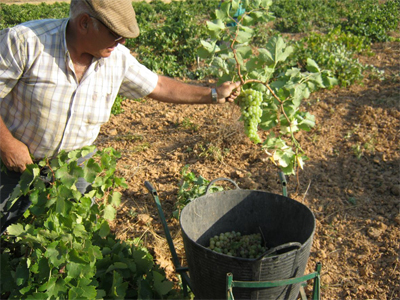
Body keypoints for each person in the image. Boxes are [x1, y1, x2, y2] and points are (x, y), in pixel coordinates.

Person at [0, 0, 241, 234]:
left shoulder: (118, 58)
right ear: (84, 23)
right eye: (115, 34)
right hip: (13, 167)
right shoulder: (25, 42)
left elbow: (158, 86)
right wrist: (7, 144)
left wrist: (213, 94)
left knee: (73, 238)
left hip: (73, 168)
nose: (122, 41)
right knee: (6, 239)